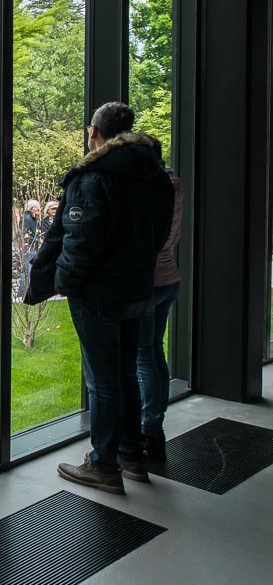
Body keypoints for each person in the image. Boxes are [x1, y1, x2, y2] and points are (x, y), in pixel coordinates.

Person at [26, 102, 174, 495]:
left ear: (94, 132)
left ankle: (104, 465)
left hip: (99, 294)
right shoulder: (155, 175)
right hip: (140, 287)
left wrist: (62, 281)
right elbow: (159, 236)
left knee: (103, 382)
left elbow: (79, 243)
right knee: (126, 374)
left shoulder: (93, 177)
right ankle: (131, 456)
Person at [137, 140, 183, 461]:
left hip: (149, 282)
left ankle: (148, 429)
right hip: (169, 278)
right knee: (155, 353)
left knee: (143, 359)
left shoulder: (150, 188)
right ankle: (156, 429)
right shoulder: (173, 183)